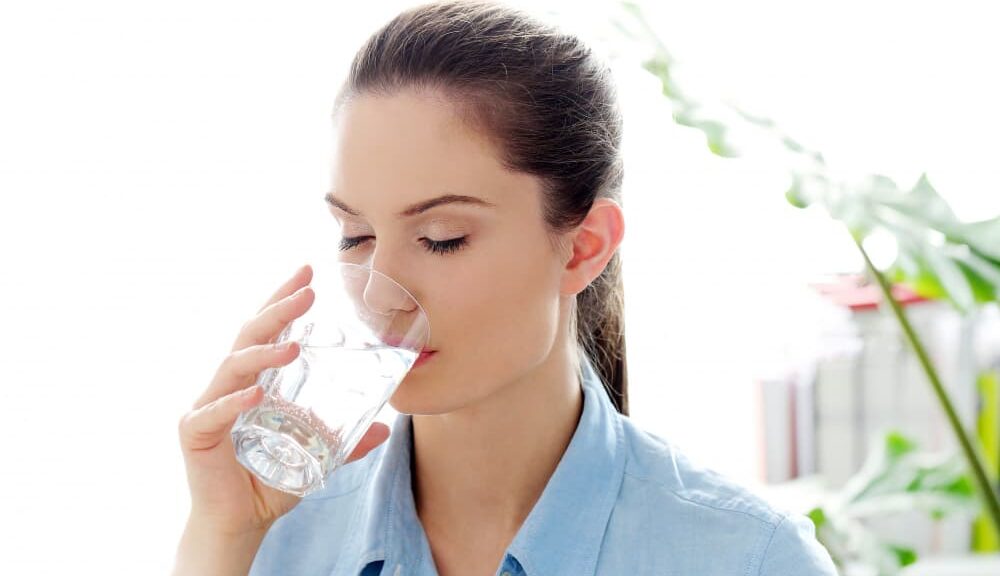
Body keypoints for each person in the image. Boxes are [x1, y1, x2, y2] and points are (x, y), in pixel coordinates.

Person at [173, 1, 838, 574]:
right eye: (356, 235)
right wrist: (222, 536)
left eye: (441, 237)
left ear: (584, 247)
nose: (379, 294)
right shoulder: (277, 535)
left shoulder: (746, 558)